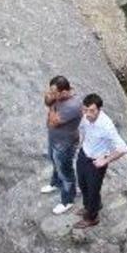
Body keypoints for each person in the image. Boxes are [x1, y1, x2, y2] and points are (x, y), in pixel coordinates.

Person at [74, 93, 127, 228]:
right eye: (85, 110)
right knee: (82, 184)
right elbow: (82, 129)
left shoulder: (106, 126)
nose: (88, 114)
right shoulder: (85, 116)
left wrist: (105, 160)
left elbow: (123, 148)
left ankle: (92, 218)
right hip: (84, 154)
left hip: (97, 162)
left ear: (99, 110)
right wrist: (80, 142)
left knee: (93, 190)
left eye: (92, 111)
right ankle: (90, 206)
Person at [40, 76, 83, 215]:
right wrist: (51, 99)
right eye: (51, 90)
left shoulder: (73, 105)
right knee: (54, 162)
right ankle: (56, 183)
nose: (51, 94)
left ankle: (68, 200)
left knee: (65, 171)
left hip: (65, 144)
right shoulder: (59, 97)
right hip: (55, 139)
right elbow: (47, 101)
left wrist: (52, 105)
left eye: (54, 92)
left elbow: (53, 122)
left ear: (64, 92)